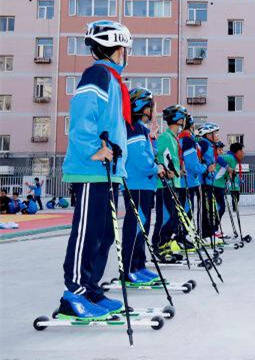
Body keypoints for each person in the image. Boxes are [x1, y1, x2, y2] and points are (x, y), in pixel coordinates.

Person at [58, 20, 132, 319]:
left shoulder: (111, 79)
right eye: (124, 48)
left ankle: (91, 289)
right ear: (116, 48)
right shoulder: (98, 74)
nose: (126, 53)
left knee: (104, 233)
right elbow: (81, 116)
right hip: (92, 168)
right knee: (87, 232)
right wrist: (94, 149)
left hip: (109, 169)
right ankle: (73, 294)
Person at [121, 88, 165, 284]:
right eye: (150, 108)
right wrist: (156, 168)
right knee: (136, 225)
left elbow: (149, 152)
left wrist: (152, 140)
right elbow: (141, 160)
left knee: (144, 225)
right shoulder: (134, 128)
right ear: (140, 107)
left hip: (145, 185)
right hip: (137, 184)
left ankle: (139, 265)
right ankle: (129, 268)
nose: (151, 112)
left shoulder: (141, 129)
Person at [151, 105, 186, 261]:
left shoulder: (173, 138)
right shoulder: (166, 137)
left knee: (174, 218)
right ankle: (158, 246)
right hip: (165, 184)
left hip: (174, 183)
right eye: (183, 118)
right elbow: (160, 158)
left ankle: (165, 244)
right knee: (166, 217)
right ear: (179, 119)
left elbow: (172, 159)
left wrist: (178, 170)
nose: (184, 121)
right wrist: (168, 170)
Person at [198, 123, 224, 239]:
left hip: (209, 180)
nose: (217, 136)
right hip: (203, 180)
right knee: (206, 208)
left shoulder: (210, 145)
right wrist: (205, 167)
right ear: (208, 135)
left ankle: (211, 232)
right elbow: (198, 158)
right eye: (214, 133)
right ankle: (205, 234)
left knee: (210, 208)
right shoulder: (203, 143)